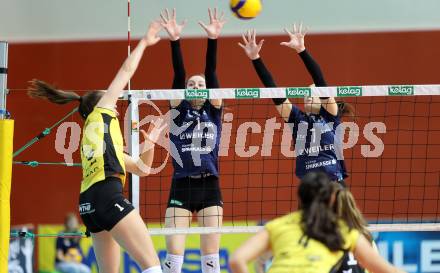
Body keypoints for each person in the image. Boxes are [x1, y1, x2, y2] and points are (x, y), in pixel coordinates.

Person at [28, 21, 164, 273]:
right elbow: (126, 71)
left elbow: (143, 168)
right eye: (110, 97)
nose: (115, 101)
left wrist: (151, 143)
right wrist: (145, 42)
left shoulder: (99, 139)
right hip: (107, 196)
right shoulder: (100, 112)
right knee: (152, 266)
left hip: (89, 205)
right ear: (99, 104)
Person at [239, 25, 355, 185]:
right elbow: (274, 92)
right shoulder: (296, 119)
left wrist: (301, 50)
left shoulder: (330, 115)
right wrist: (255, 58)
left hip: (334, 184)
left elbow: (319, 79)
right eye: (306, 93)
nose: (308, 95)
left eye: (313, 92)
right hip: (309, 189)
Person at [229, 172, 406, 273]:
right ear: (332, 199)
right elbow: (385, 270)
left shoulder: (277, 225)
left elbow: (237, 260)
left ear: (300, 197)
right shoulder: (342, 230)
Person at [159, 8, 226, 273]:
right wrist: (175, 41)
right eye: (192, 85)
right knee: (174, 254)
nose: (197, 87)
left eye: (201, 85)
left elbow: (211, 74)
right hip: (181, 185)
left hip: (210, 185)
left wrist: (213, 40)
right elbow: (178, 76)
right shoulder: (178, 110)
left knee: (210, 255)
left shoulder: (214, 109)